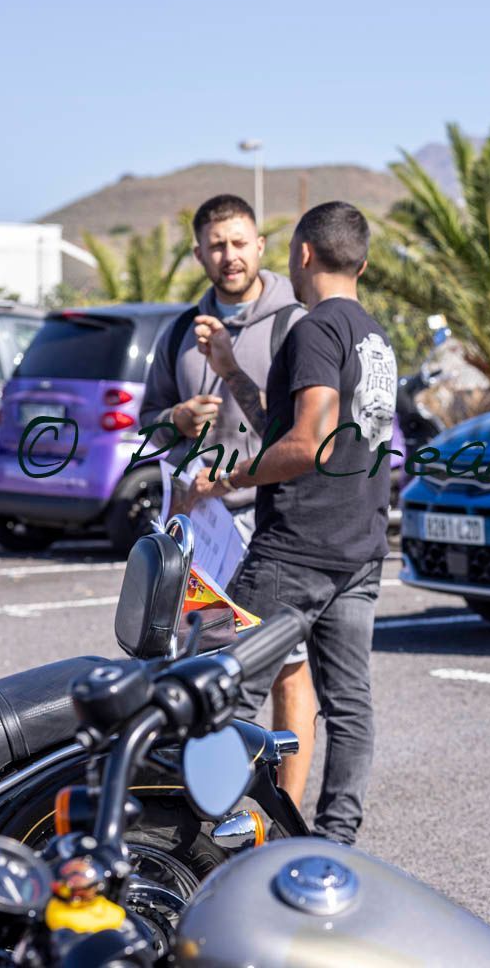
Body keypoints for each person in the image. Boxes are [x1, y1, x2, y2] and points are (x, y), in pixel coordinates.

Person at [181, 201, 397, 846]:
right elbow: (293, 419)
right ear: (360, 260)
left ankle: (205, 836)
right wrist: (231, 374)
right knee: (349, 703)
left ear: (302, 253)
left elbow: (308, 445)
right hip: (359, 548)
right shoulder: (373, 338)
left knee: (220, 676)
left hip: (296, 549)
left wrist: (231, 479)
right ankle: (333, 843)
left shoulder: (313, 327)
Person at [138, 192, 312, 803]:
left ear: (261, 246)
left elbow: (304, 437)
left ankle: (287, 812)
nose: (229, 255)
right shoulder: (180, 332)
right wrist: (178, 419)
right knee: (203, 667)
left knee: (287, 667)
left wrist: (234, 370)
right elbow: (147, 425)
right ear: (198, 253)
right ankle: (216, 805)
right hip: (201, 531)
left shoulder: (295, 322)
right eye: (217, 245)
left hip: (273, 524)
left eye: (240, 242)